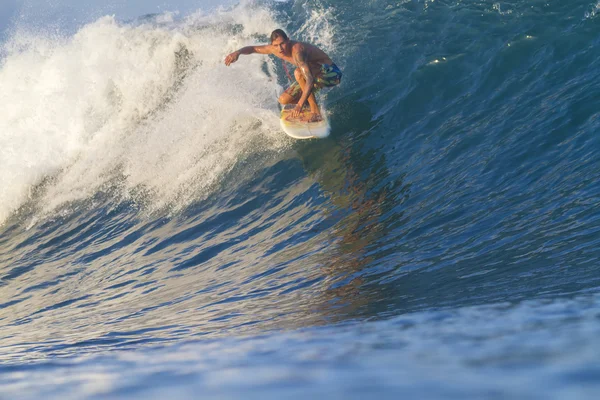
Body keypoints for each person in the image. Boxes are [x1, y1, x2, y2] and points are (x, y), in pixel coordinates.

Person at [224, 29, 342, 122]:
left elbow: (310, 80)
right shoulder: (274, 49)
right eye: (276, 45)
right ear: (272, 45)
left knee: (298, 73)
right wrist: (237, 52)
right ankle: (308, 103)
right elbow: (253, 48)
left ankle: (315, 112)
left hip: (331, 74)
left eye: (282, 44)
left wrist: (299, 104)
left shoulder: (298, 51)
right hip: (313, 75)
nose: (280, 48)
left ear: (288, 40)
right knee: (283, 100)